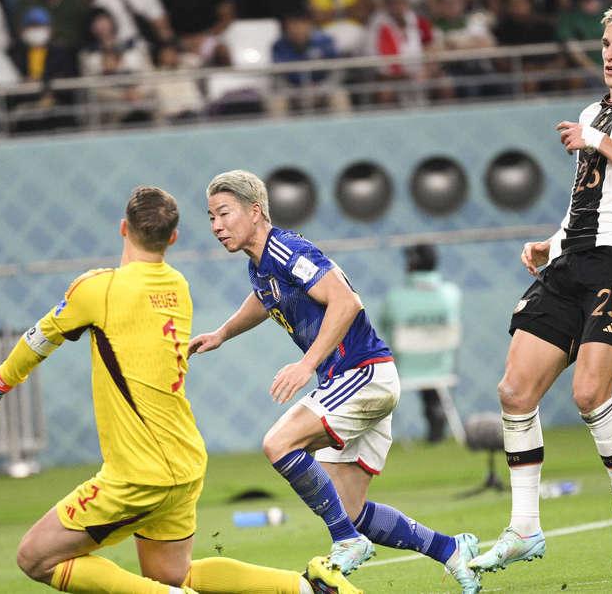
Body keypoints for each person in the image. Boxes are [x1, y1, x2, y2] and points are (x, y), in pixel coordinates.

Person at [0, 186, 318, 594]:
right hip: (186, 462)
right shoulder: (178, 287)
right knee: (173, 577)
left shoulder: (97, 289)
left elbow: (40, 339)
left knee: (35, 557)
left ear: (123, 228)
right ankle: (305, 589)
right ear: (172, 238)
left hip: (138, 475)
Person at [467, 0, 612, 584]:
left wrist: (597, 139)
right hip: (572, 259)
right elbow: (591, 198)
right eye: (606, 44)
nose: (610, 54)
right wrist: (551, 240)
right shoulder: (593, 110)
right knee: (514, 390)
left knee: (590, 394)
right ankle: (523, 529)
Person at [189, 170, 482, 593]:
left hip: (362, 373)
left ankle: (346, 540)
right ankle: (452, 549)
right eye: (211, 217)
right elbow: (263, 298)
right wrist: (221, 333)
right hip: (362, 379)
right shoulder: (261, 263)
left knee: (279, 444)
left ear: (255, 212)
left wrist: (306, 365)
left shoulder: (286, 247)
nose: (216, 226)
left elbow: (346, 301)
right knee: (350, 510)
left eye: (224, 213)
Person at [378, 244, 458, 443]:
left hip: (404, 366)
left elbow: (385, 325)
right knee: (429, 372)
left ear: (412, 264)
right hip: (441, 366)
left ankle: (380, 432)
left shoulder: (395, 297)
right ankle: (436, 415)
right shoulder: (452, 293)